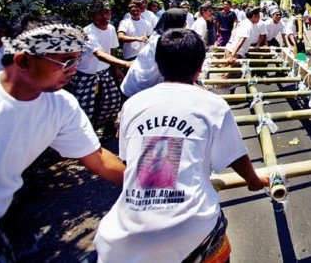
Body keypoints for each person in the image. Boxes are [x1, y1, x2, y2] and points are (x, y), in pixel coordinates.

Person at [94, 29, 268, 262]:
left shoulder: (133, 104)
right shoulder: (213, 104)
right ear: (200, 66)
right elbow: (235, 157)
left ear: (158, 64)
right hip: (193, 228)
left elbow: (128, 160)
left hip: (124, 237)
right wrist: (254, 181)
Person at [0, 16, 125, 259]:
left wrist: (148, 189)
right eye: (66, 61)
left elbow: (98, 158)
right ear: (23, 60)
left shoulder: (61, 105)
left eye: (76, 60)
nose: (73, 70)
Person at [66, 0, 131, 133]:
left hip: (104, 71)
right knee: (83, 107)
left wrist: (116, 69)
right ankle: (81, 133)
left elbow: (112, 49)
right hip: (85, 74)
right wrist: (125, 63)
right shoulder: (87, 32)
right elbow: (100, 54)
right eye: (99, 13)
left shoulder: (111, 28)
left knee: (113, 100)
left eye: (107, 12)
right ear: (92, 16)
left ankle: (106, 127)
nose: (104, 16)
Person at [120, 9, 188, 98]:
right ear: (176, 23)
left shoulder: (160, 37)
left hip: (143, 84)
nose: (186, 24)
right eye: (184, 21)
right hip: (139, 87)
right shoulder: (163, 42)